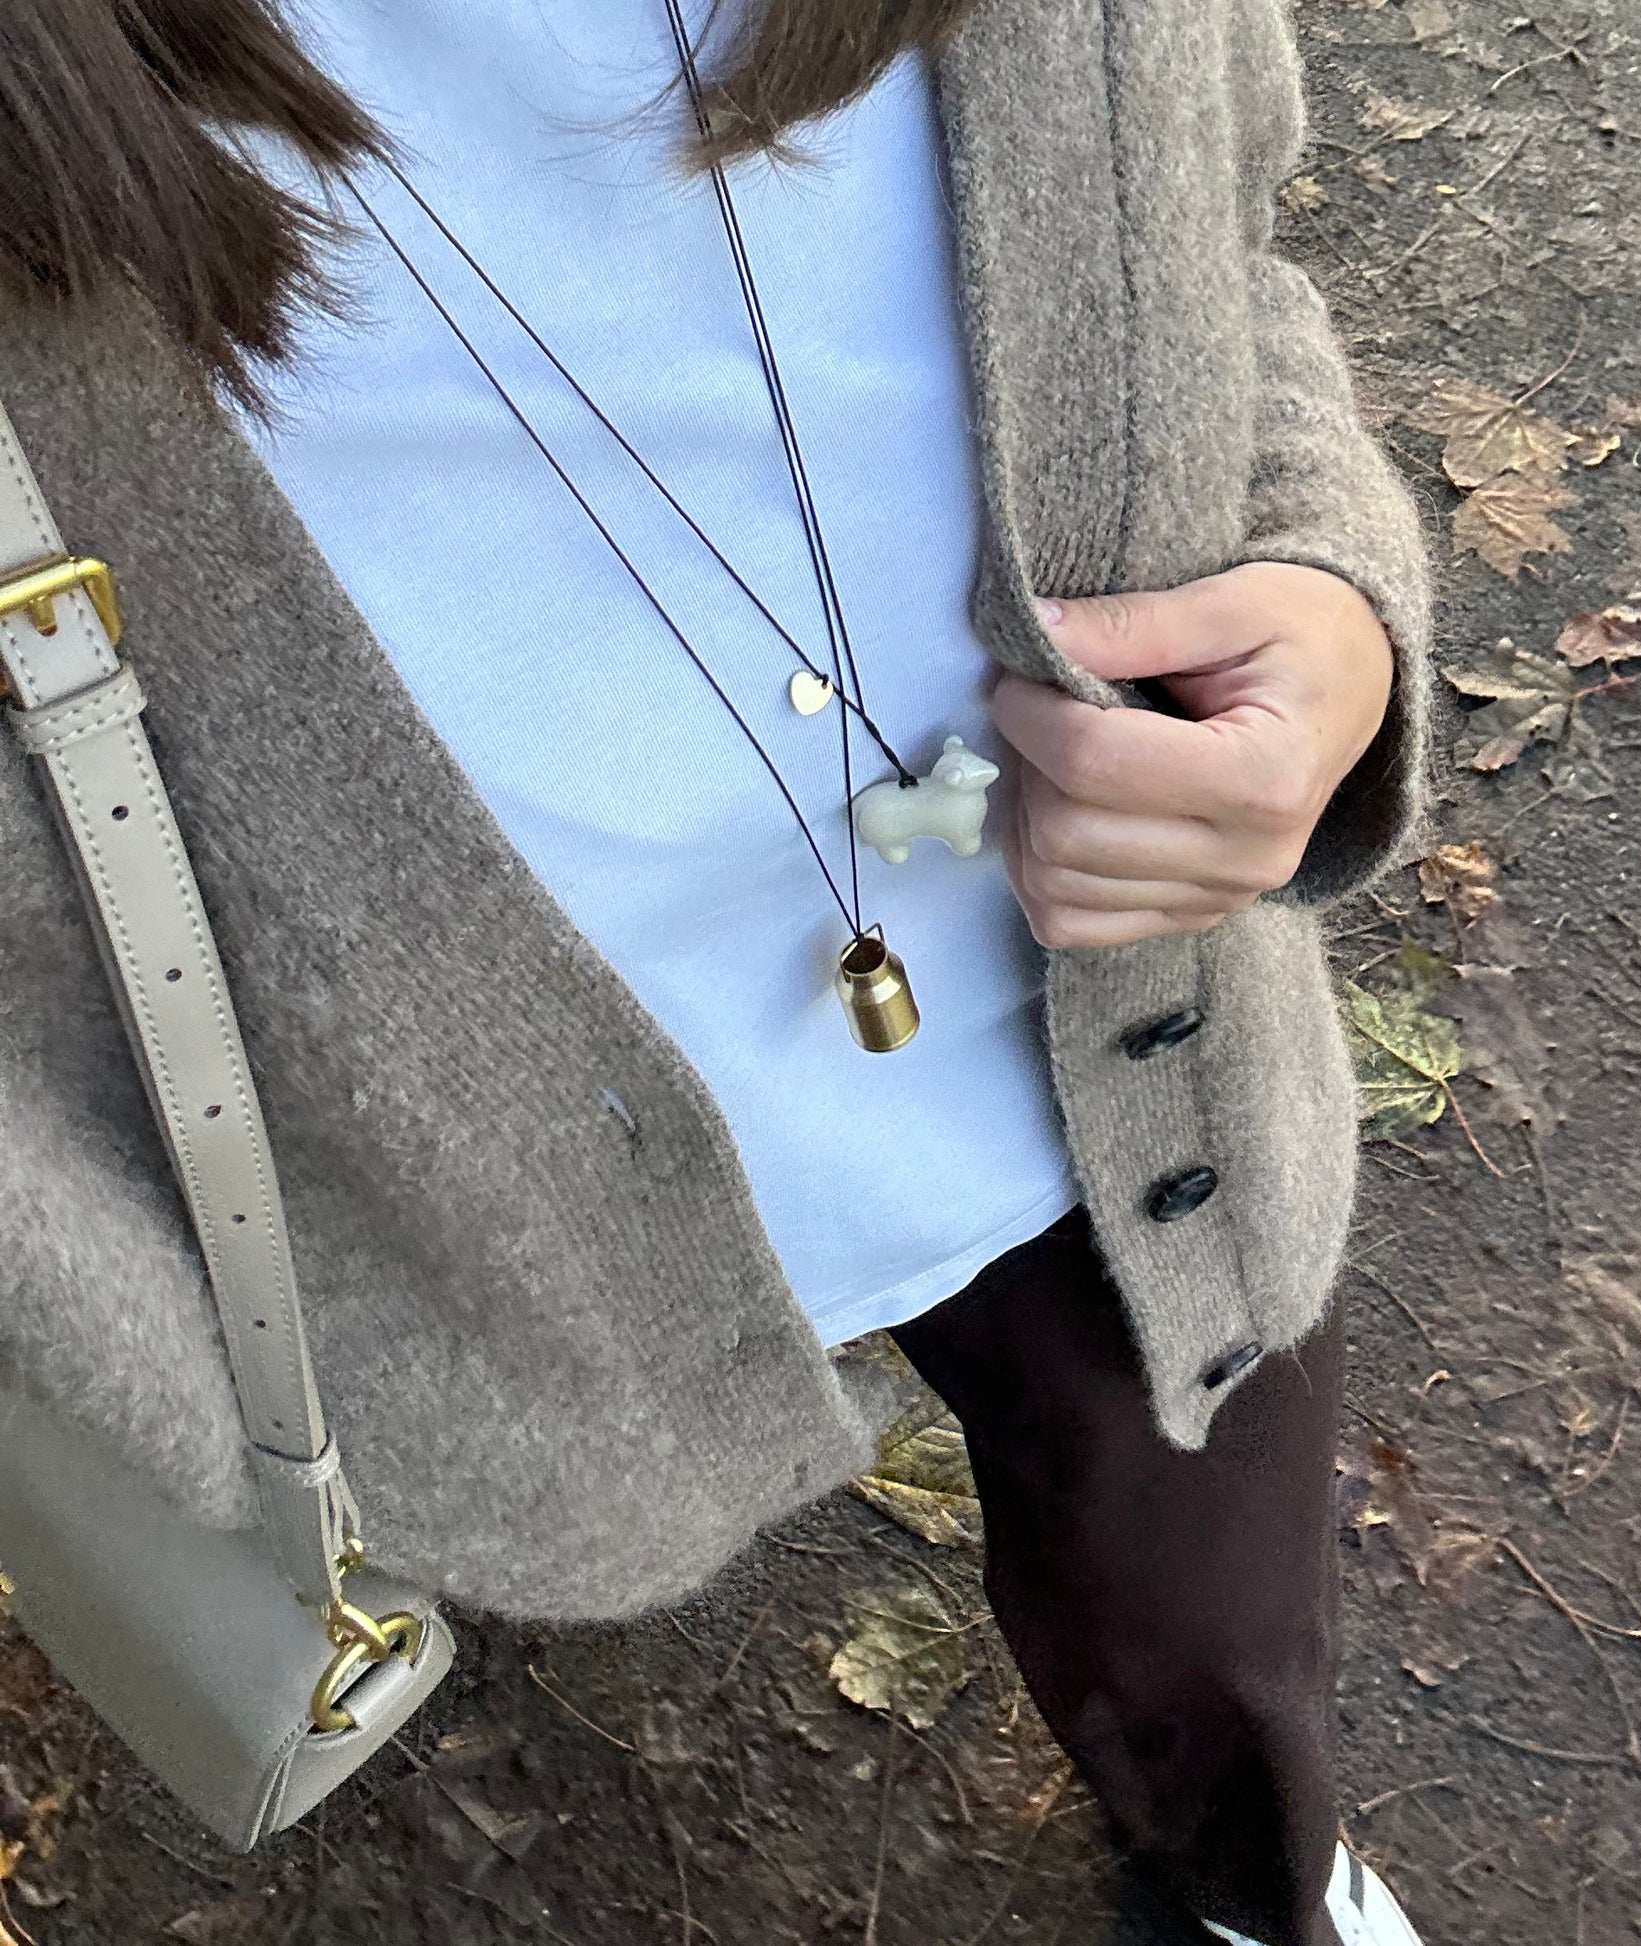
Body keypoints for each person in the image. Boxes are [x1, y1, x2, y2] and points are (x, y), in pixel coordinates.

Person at [0, 2, 1434, 1941]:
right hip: (444, 1208)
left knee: (1211, 1633)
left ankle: (1250, 1886)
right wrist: (151, 1362)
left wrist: (1325, 589)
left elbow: (1217, 245)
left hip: (1128, 1053)